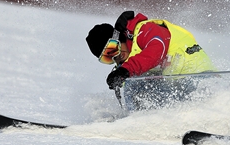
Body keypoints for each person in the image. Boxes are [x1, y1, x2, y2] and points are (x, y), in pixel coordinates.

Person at [86, 11, 217, 111]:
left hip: (199, 78)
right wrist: (120, 77)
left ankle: (137, 122)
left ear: (119, 38)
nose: (115, 57)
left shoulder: (144, 30)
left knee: (133, 85)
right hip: (179, 84)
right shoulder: (132, 59)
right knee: (135, 85)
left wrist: (125, 71)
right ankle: (143, 120)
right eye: (107, 58)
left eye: (112, 50)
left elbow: (156, 50)